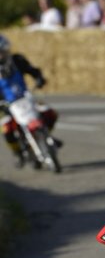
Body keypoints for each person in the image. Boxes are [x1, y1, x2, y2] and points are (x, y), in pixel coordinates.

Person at [0, 34, 58, 167]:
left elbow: (32, 71)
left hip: (25, 97)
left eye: (2, 51)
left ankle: (46, 136)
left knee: (50, 114)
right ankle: (18, 153)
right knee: (7, 128)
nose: (1, 55)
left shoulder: (17, 60)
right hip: (6, 104)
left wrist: (39, 79)